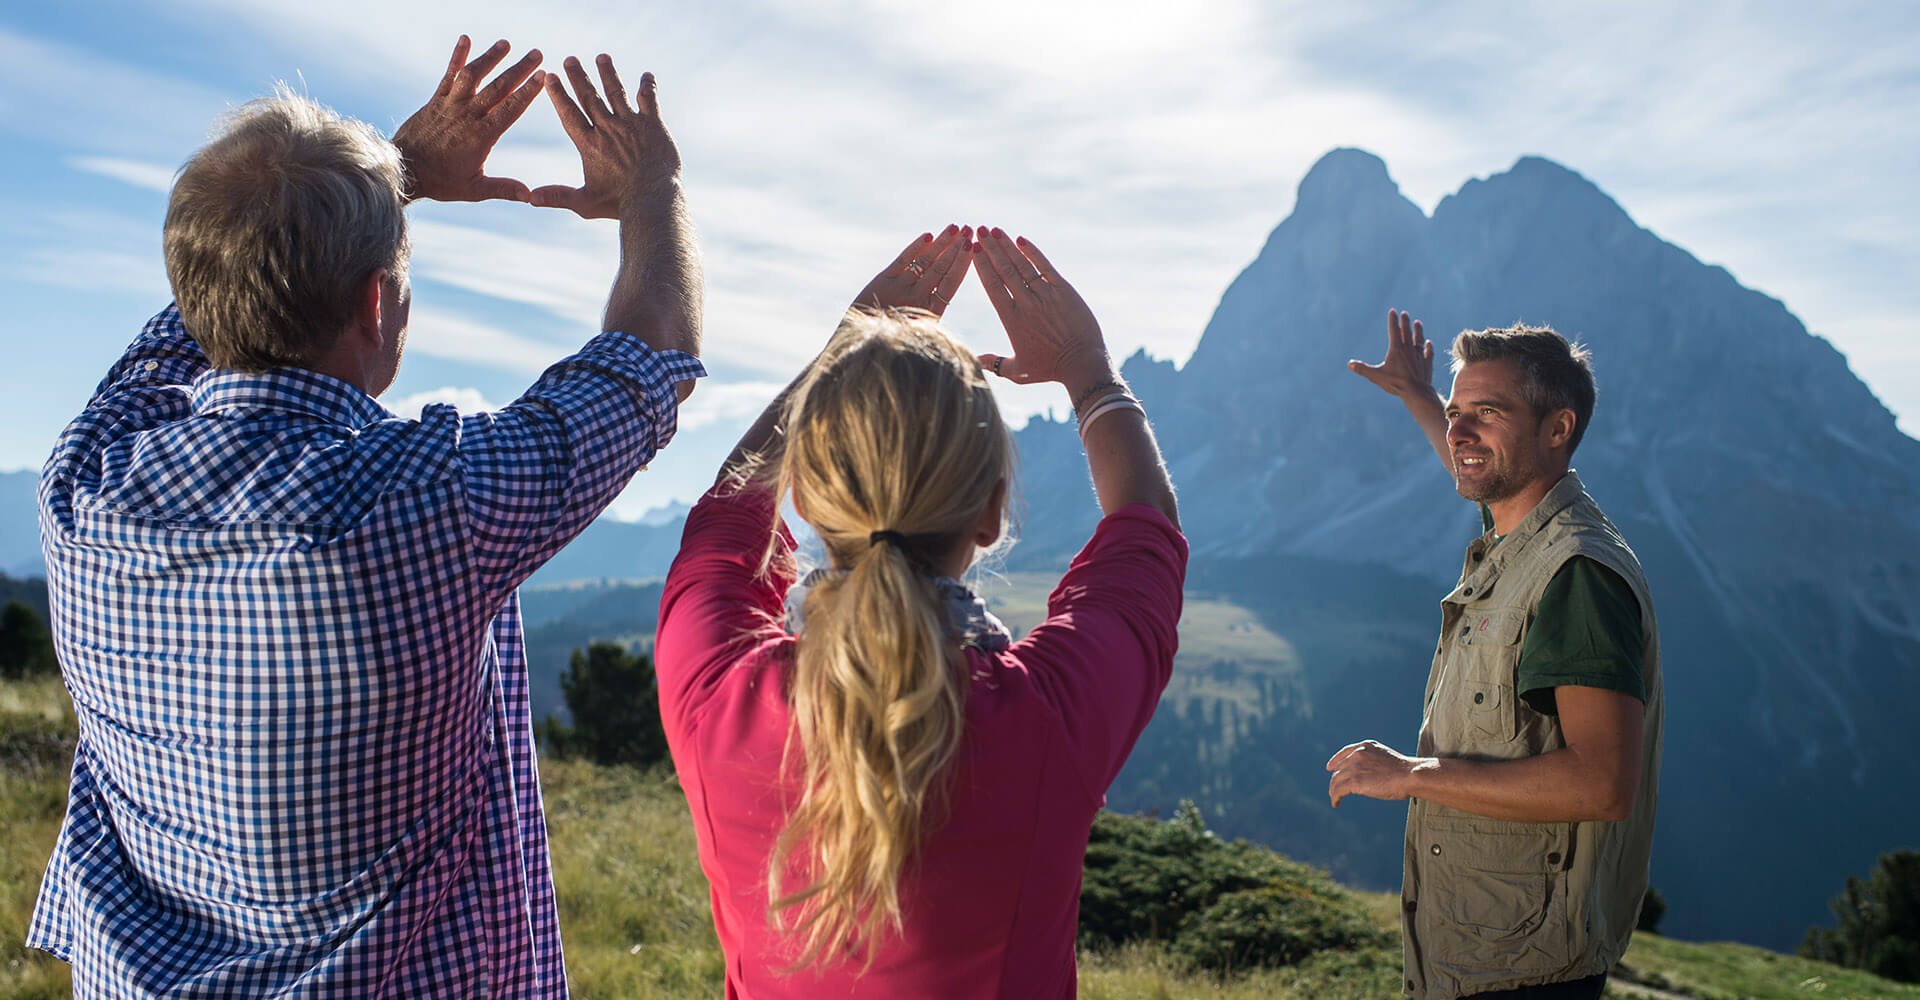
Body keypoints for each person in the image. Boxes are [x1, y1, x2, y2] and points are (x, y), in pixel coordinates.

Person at [27, 38, 703, 996]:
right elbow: (652, 356)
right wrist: (655, 188)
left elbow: (199, 308)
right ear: (375, 304)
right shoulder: (428, 506)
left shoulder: (81, 487)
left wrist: (398, 176)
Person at [653, 226, 1185, 997]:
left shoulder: (715, 696)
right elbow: (1147, 534)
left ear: (802, 497)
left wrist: (838, 354)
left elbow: (726, 517)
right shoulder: (1047, 717)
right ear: (991, 514)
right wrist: (1090, 375)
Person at [1326, 310, 1663, 999]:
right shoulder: (1521, 527)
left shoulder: (1576, 574)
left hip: (1526, 971)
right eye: (1456, 413)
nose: (1458, 432)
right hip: (1483, 952)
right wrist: (1421, 398)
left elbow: (1604, 784)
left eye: (1487, 411)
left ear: (1558, 428)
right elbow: (1480, 465)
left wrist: (1413, 774)